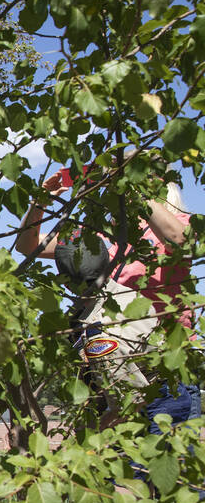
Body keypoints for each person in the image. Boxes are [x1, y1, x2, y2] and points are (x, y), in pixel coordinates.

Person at [18, 166, 197, 430]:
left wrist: (132, 183)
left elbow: (181, 240)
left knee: (163, 464)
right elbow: (27, 246)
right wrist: (40, 200)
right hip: (111, 371)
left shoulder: (177, 224)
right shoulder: (102, 238)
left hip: (162, 373)